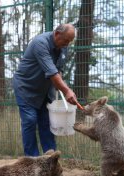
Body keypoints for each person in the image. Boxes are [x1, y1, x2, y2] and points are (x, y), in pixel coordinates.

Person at [13, 24, 78, 156]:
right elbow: (52, 72)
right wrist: (67, 91)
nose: (67, 44)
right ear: (57, 34)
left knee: (47, 122)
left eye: (69, 42)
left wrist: (61, 88)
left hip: (45, 90)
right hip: (26, 87)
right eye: (66, 40)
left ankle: (51, 159)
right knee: (30, 120)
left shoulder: (62, 47)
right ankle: (32, 161)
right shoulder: (40, 43)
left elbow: (58, 71)